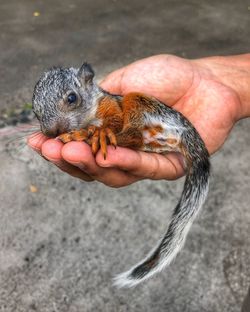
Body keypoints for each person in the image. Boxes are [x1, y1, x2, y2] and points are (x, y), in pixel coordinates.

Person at [28, 54, 250, 311]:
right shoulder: (86, 124)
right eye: (42, 115)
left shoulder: (104, 106)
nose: (53, 127)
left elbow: (114, 119)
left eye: (70, 101)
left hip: (170, 128)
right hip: (159, 137)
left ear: (86, 82)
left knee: (131, 103)